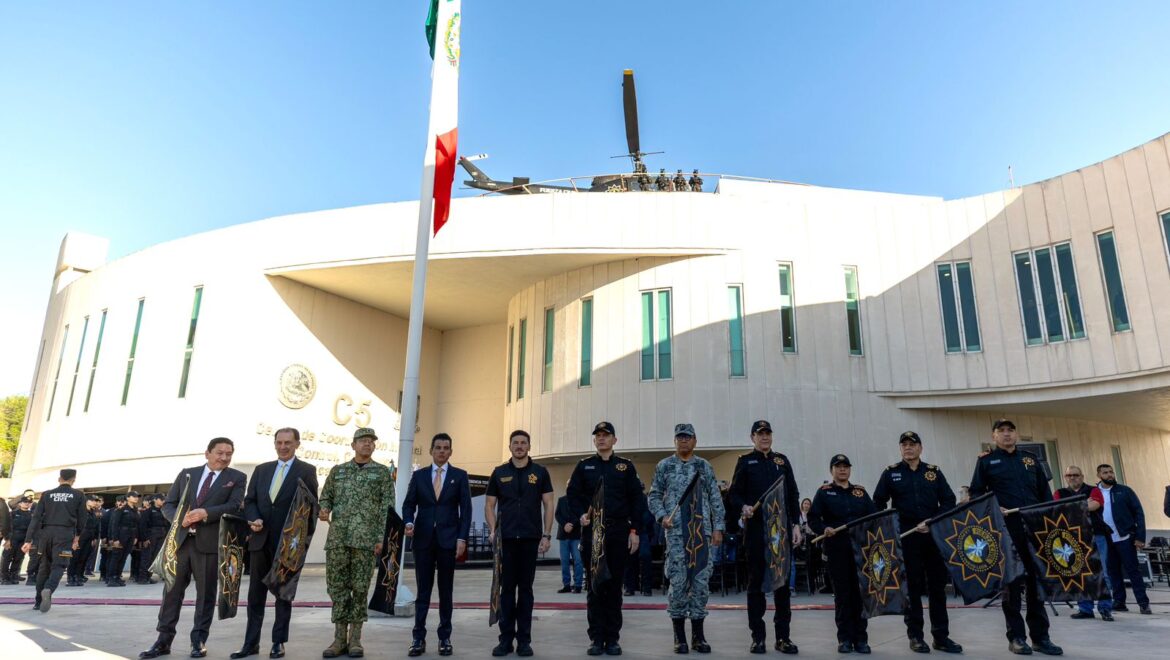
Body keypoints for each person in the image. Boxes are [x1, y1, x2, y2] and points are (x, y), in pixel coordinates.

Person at [138, 437, 247, 660]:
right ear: (207, 453)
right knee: (171, 593)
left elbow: (235, 506)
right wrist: (179, 520)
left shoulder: (236, 477)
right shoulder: (187, 474)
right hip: (180, 543)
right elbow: (169, 505)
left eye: (229, 454)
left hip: (209, 545)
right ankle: (163, 640)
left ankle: (198, 640)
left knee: (205, 594)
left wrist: (206, 513)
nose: (224, 457)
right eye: (219, 453)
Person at [969, 419, 1063, 656]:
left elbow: (1044, 493)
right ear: (994, 436)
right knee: (1011, 584)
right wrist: (993, 508)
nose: (1007, 434)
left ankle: (1041, 638)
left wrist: (1049, 522)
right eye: (1001, 431)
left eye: (1010, 430)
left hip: (1034, 528)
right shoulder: (986, 461)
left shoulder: (1030, 459)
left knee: (1035, 584)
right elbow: (976, 493)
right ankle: (1017, 638)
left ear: (1016, 434)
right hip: (1006, 530)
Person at [232, 427, 319, 660]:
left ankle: (278, 642)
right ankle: (250, 643)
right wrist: (253, 518)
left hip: (287, 545)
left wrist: (299, 539)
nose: (283, 447)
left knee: (283, 594)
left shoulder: (306, 471)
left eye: (288, 442)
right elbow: (250, 500)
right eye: (279, 442)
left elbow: (311, 507)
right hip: (260, 540)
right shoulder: (262, 470)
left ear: (297, 444)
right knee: (255, 595)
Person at [873, 431, 962, 654]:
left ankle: (941, 637)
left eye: (912, 444)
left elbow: (949, 500)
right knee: (912, 588)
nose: (908, 447)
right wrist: (888, 528)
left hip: (932, 537)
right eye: (904, 444)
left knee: (937, 588)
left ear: (920, 448)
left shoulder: (933, 472)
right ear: (900, 449)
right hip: (907, 538)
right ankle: (915, 636)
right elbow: (878, 503)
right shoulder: (891, 473)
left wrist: (933, 521)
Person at [568, 421, 647, 657]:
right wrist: (580, 514)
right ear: (594, 440)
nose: (601, 438)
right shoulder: (584, 466)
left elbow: (637, 500)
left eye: (606, 435)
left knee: (614, 588)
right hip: (593, 533)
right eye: (598, 435)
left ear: (614, 440)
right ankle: (596, 638)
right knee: (595, 587)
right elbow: (573, 495)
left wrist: (635, 531)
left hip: (618, 532)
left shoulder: (625, 466)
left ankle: (612, 639)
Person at [317, 427, 395, 659]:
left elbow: (387, 508)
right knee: (337, 588)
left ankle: (355, 640)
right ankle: (339, 639)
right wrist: (324, 508)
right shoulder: (338, 471)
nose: (367, 444)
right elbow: (326, 496)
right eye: (362, 440)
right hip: (338, 539)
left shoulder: (382, 473)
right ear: (353, 445)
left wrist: (381, 538)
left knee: (360, 590)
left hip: (366, 541)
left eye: (370, 441)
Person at [647, 423, 725, 654]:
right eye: (680, 437)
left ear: (695, 440)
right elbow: (654, 496)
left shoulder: (704, 466)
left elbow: (715, 498)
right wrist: (662, 516)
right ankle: (679, 637)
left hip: (701, 535)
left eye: (687, 437)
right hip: (677, 535)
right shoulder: (664, 466)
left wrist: (719, 527)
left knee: (700, 583)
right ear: (674, 441)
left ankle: (698, 636)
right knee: (679, 583)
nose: (683, 440)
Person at [728, 420, 802, 655]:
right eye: (760, 434)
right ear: (752, 437)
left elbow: (793, 494)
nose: (765, 437)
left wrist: (796, 524)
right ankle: (758, 638)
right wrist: (744, 507)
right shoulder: (745, 462)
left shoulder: (782, 461)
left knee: (782, 587)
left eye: (768, 433)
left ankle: (783, 638)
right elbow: (734, 494)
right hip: (757, 532)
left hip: (781, 533)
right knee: (756, 585)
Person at [402, 432, 473, 658]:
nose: (442, 451)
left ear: (451, 451)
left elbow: (466, 510)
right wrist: (409, 522)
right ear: (431, 451)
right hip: (423, 540)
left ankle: (445, 638)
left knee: (445, 591)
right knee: (423, 591)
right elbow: (408, 504)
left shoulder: (460, 476)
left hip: (448, 541)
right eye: (438, 448)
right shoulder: (419, 476)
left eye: (446, 448)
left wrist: (462, 538)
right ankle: (418, 638)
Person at [486, 430, 555, 657]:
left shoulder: (540, 472)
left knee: (525, 591)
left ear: (529, 446)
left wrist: (546, 535)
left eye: (523, 443)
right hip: (505, 541)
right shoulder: (499, 472)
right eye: (515, 443)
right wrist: (493, 531)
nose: (519, 446)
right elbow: (489, 505)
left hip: (529, 539)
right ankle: (505, 640)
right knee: (506, 591)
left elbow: (548, 503)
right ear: (509, 447)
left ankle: (524, 641)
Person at [808, 454, 876, 654]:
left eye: (846, 466)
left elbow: (873, 518)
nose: (842, 469)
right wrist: (824, 529)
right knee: (842, 595)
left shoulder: (860, 492)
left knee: (860, 595)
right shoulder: (824, 492)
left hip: (860, 551)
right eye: (838, 466)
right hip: (837, 549)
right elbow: (813, 518)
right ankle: (844, 639)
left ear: (850, 469)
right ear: (832, 470)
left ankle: (861, 639)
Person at [22, 468, 87, 612]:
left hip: (46, 534)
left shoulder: (47, 494)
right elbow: (83, 518)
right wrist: (77, 537)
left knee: (44, 567)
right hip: (65, 534)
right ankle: (48, 589)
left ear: (59, 479)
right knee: (60, 565)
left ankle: (38, 602)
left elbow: (36, 518)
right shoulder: (78, 495)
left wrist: (28, 540)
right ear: (73, 480)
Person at [1054, 466, 1113, 621]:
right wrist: (1083, 504)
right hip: (1073, 538)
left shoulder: (1094, 490)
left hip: (1096, 535)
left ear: (1082, 476)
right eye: (1069, 475)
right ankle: (1085, 609)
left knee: (1103, 573)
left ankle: (1105, 608)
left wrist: (1069, 506)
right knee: (1080, 573)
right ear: (1065, 477)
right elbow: (1057, 510)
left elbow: (1094, 506)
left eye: (1075, 475)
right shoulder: (1059, 493)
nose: (1072, 477)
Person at [1094, 463, 1150, 615]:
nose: (1109, 475)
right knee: (1112, 572)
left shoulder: (1125, 491)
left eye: (1111, 472)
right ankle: (1119, 602)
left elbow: (1139, 513)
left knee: (1133, 571)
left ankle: (1143, 603)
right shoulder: (1094, 493)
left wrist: (1140, 536)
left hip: (1125, 537)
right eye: (1105, 472)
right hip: (1106, 539)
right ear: (1099, 475)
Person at [555, 480, 584, 594]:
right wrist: (564, 525)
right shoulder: (561, 500)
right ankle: (566, 585)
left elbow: (581, 515)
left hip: (576, 535)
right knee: (564, 561)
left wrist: (571, 524)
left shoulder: (580, 500)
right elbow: (557, 515)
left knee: (578, 560)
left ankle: (578, 585)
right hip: (563, 536)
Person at [107, 490, 141, 586]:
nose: (136, 498)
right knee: (116, 556)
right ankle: (111, 578)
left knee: (124, 557)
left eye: (137, 496)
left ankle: (117, 576)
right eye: (134, 496)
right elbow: (115, 524)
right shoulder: (121, 509)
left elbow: (137, 524)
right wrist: (115, 539)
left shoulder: (135, 510)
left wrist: (136, 536)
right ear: (128, 498)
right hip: (121, 534)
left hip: (131, 535)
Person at [67, 495, 101, 587]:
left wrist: (94, 538)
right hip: (79, 537)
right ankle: (71, 577)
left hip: (89, 538)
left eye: (96, 501)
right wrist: (75, 539)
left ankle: (78, 575)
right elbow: (75, 525)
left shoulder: (93, 512)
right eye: (93, 500)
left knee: (83, 557)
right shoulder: (80, 511)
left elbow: (95, 526)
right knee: (74, 558)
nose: (95, 502)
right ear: (86, 501)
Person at [624, 497, 655, 597]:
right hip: (629, 531)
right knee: (629, 558)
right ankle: (630, 587)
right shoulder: (627, 498)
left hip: (643, 531)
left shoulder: (643, 499)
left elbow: (648, 517)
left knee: (645, 556)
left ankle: (647, 587)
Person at [1, 497, 33, 584]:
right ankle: (4, 577)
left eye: (29, 502)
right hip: (12, 538)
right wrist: (7, 539)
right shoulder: (13, 513)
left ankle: (13, 575)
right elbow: (7, 526)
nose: (27, 503)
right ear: (20, 503)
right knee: (7, 557)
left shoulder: (32, 515)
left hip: (24, 539)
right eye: (25, 502)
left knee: (18, 558)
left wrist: (29, 540)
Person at [138, 494, 169, 584]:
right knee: (147, 557)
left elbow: (167, 524)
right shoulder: (148, 511)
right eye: (161, 499)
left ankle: (148, 576)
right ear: (155, 500)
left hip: (162, 535)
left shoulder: (164, 511)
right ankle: (142, 578)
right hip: (151, 535)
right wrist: (145, 538)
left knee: (155, 557)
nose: (163, 501)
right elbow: (143, 525)